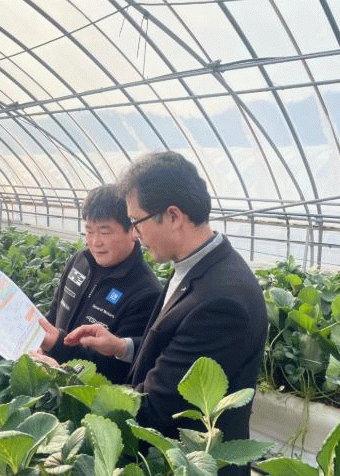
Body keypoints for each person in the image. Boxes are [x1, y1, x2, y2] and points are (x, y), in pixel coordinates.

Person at [64, 152, 268, 476]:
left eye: (136, 222)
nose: (135, 233)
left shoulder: (221, 302)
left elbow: (160, 406)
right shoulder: (197, 266)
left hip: (188, 465)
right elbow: (174, 346)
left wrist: (69, 383)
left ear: (173, 216)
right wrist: (122, 347)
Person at [34, 184, 161, 384]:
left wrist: (57, 347)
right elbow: (55, 310)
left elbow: (119, 369)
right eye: (89, 231)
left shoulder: (147, 293)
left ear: (132, 230)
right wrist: (40, 346)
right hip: (45, 373)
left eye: (105, 231)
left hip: (84, 391)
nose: (95, 242)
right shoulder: (80, 260)